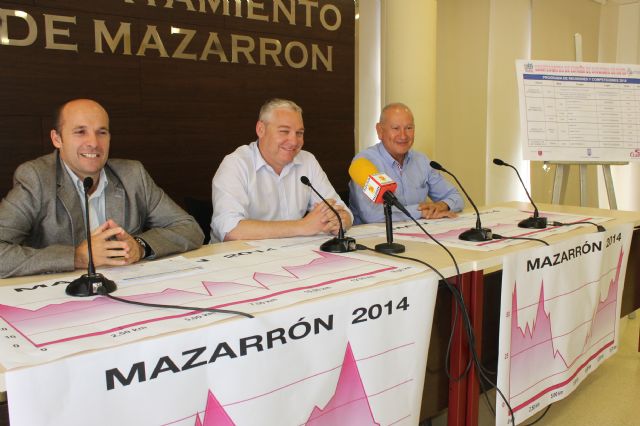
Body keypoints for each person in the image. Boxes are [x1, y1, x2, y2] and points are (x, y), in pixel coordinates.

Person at [0, 99, 204, 278]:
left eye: (102, 132)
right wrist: (77, 257)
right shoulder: (36, 178)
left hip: (127, 290)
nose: (93, 143)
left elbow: (189, 228)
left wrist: (139, 246)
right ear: (57, 139)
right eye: (80, 132)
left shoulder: (133, 175)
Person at [210, 98, 352, 243]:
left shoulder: (307, 161)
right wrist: (302, 226)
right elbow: (229, 230)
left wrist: (339, 221)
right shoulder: (236, 164)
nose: (294, 141)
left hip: (292, 251)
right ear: (261, 129)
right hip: (238, 255)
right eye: (284, 131)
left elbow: (343, 212)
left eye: (299, 133)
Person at [349, 102, 464, 224]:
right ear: (380, 131)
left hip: (420, 231)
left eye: (409, 128)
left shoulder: (421, 161)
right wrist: (421, 212)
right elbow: (372, 215)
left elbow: (456, 197)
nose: (403, 136)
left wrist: (442, 205)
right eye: (396, 128)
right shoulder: (364, 163)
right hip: (375, 234)